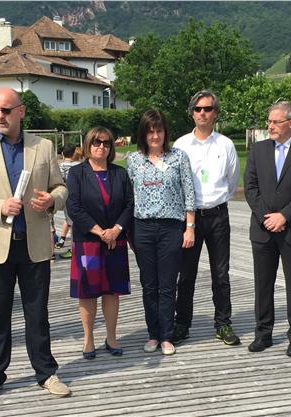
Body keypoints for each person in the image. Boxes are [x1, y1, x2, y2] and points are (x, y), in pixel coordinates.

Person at [0, 87, 69, 402]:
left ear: (21, 111)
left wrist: (52, 201)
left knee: (38, 314)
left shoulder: (43, 146)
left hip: (33, 243)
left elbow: (60, 187)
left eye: (5, 110)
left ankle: (46, 373)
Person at [244, 101, 291, 358]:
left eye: (276, 122)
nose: (270, 126)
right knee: (263, 284)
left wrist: (284, 216)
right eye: (269, 121)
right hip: (263, 228)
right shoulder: (258, 149)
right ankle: (263, 334)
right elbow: (250, 186)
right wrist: (267, 217)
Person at [172, 90, 241, 347]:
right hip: (189, 218)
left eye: (208, 109)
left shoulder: (226, 145)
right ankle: (182, 323)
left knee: (221, 274)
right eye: (198, 109)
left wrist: (216, 200)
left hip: (218, 215)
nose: (203, 113)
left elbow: (232, 181)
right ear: (192, 113)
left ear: (216, 113)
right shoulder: (180, 145)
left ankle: (223, 323)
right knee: (185, 274)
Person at [126, 109, 195, 356]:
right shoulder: (134, 160)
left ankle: (166, 335)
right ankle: (153, 334)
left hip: (171, 227)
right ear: (143, 134)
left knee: (167, 284)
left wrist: (190, 227)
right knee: (149, 284)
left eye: (159, 131)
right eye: (150, 131)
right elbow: (129, 198)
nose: (155, 136)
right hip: (142, 228)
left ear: (165, 132)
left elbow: (189, 193)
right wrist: (128, 233)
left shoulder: (178, 157)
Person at [65, 127, 133, 359]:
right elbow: (73, 207)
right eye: (96, 142)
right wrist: (100, 232)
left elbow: (130, 204)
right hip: (88, 241)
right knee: (87, 292)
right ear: (88, 145)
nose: (101, 147)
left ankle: (111, 337)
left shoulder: (120, 173)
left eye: (106, 143)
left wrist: (116, 230)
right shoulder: (77, 173)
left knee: (112, 291)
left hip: (115, 240)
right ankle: (88, 339)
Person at [55, 143, 83, 259]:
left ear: (62, 154)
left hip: (67, 198)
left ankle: (74, 249)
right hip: (80, 198)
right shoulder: (80, 166)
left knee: (71, 223)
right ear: (74, 153)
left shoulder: (59, 167)